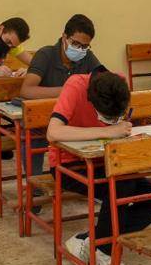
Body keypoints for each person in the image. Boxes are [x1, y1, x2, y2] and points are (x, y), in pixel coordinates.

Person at [48, 70, 151, 265]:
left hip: (106, 161)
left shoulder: (119, 83)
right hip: (68, 163)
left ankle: (90, 241)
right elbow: (53, 132)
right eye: (106, 117)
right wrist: (108, 131)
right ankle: (103, 250)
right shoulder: (76, 85)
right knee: (121, 187)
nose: (110, 120)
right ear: (91, 100)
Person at [19, 14, 102, 175]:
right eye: (75, 44)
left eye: (85, 46)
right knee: (32, 135)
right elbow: (27, 90)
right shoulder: (46, 55)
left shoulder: (87, 57)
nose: (80, 49)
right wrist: (69, 90)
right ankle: (34, 179)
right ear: (64, 37)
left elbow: (103, 82)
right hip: (43, 119)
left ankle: (78, 176)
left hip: (73, 120)